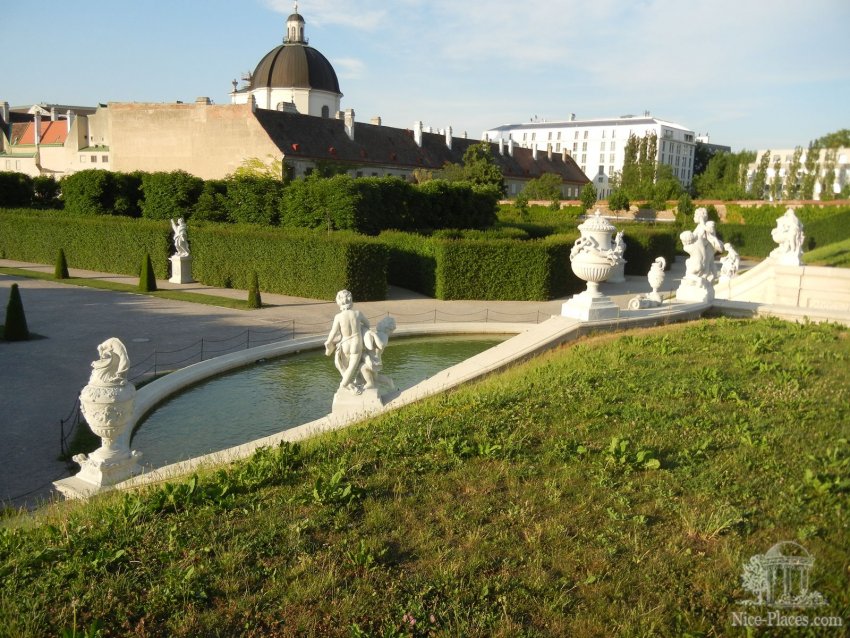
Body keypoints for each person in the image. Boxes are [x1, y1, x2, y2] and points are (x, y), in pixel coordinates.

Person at [324, 290, 370, 394]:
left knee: (345, 368)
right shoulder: (358, 314)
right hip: (356, 342)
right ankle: (344, 385)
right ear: (351, 299)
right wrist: (360, 328)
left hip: (345, 343)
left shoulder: (338, 317)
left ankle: (348, 385)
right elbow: (367, 324)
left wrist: (328, 341)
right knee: (351, 368)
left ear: (338, 302)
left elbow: (333, 332)